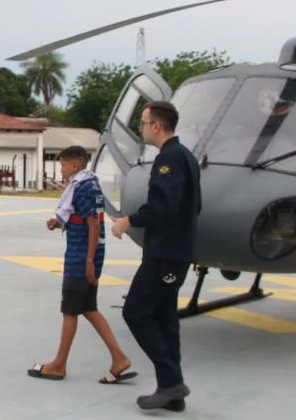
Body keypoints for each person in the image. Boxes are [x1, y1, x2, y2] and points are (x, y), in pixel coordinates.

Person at [112, 100, 202, 411]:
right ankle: (171, 391)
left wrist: (129, 221)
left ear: (157, 126)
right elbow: (195, 206)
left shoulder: (170, 159)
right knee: (165, 319)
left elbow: (164, 207)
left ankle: (171, 381)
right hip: (176, 251)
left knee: (135, 312)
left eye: (143, 122)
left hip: (165, 253)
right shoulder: (185, 157)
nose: (140, 128)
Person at [28, 145, 136, 385]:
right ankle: (119, 358)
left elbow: (94, 225)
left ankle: (58, 364)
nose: (62, 170)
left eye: (63, 165)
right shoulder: (91, 184)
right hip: (89, 255)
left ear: (74, 165)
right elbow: (85, 218)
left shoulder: (81, 187)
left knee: (70, 311)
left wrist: (88, 261)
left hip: (80, 258)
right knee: (89, 308)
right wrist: (60, 222)